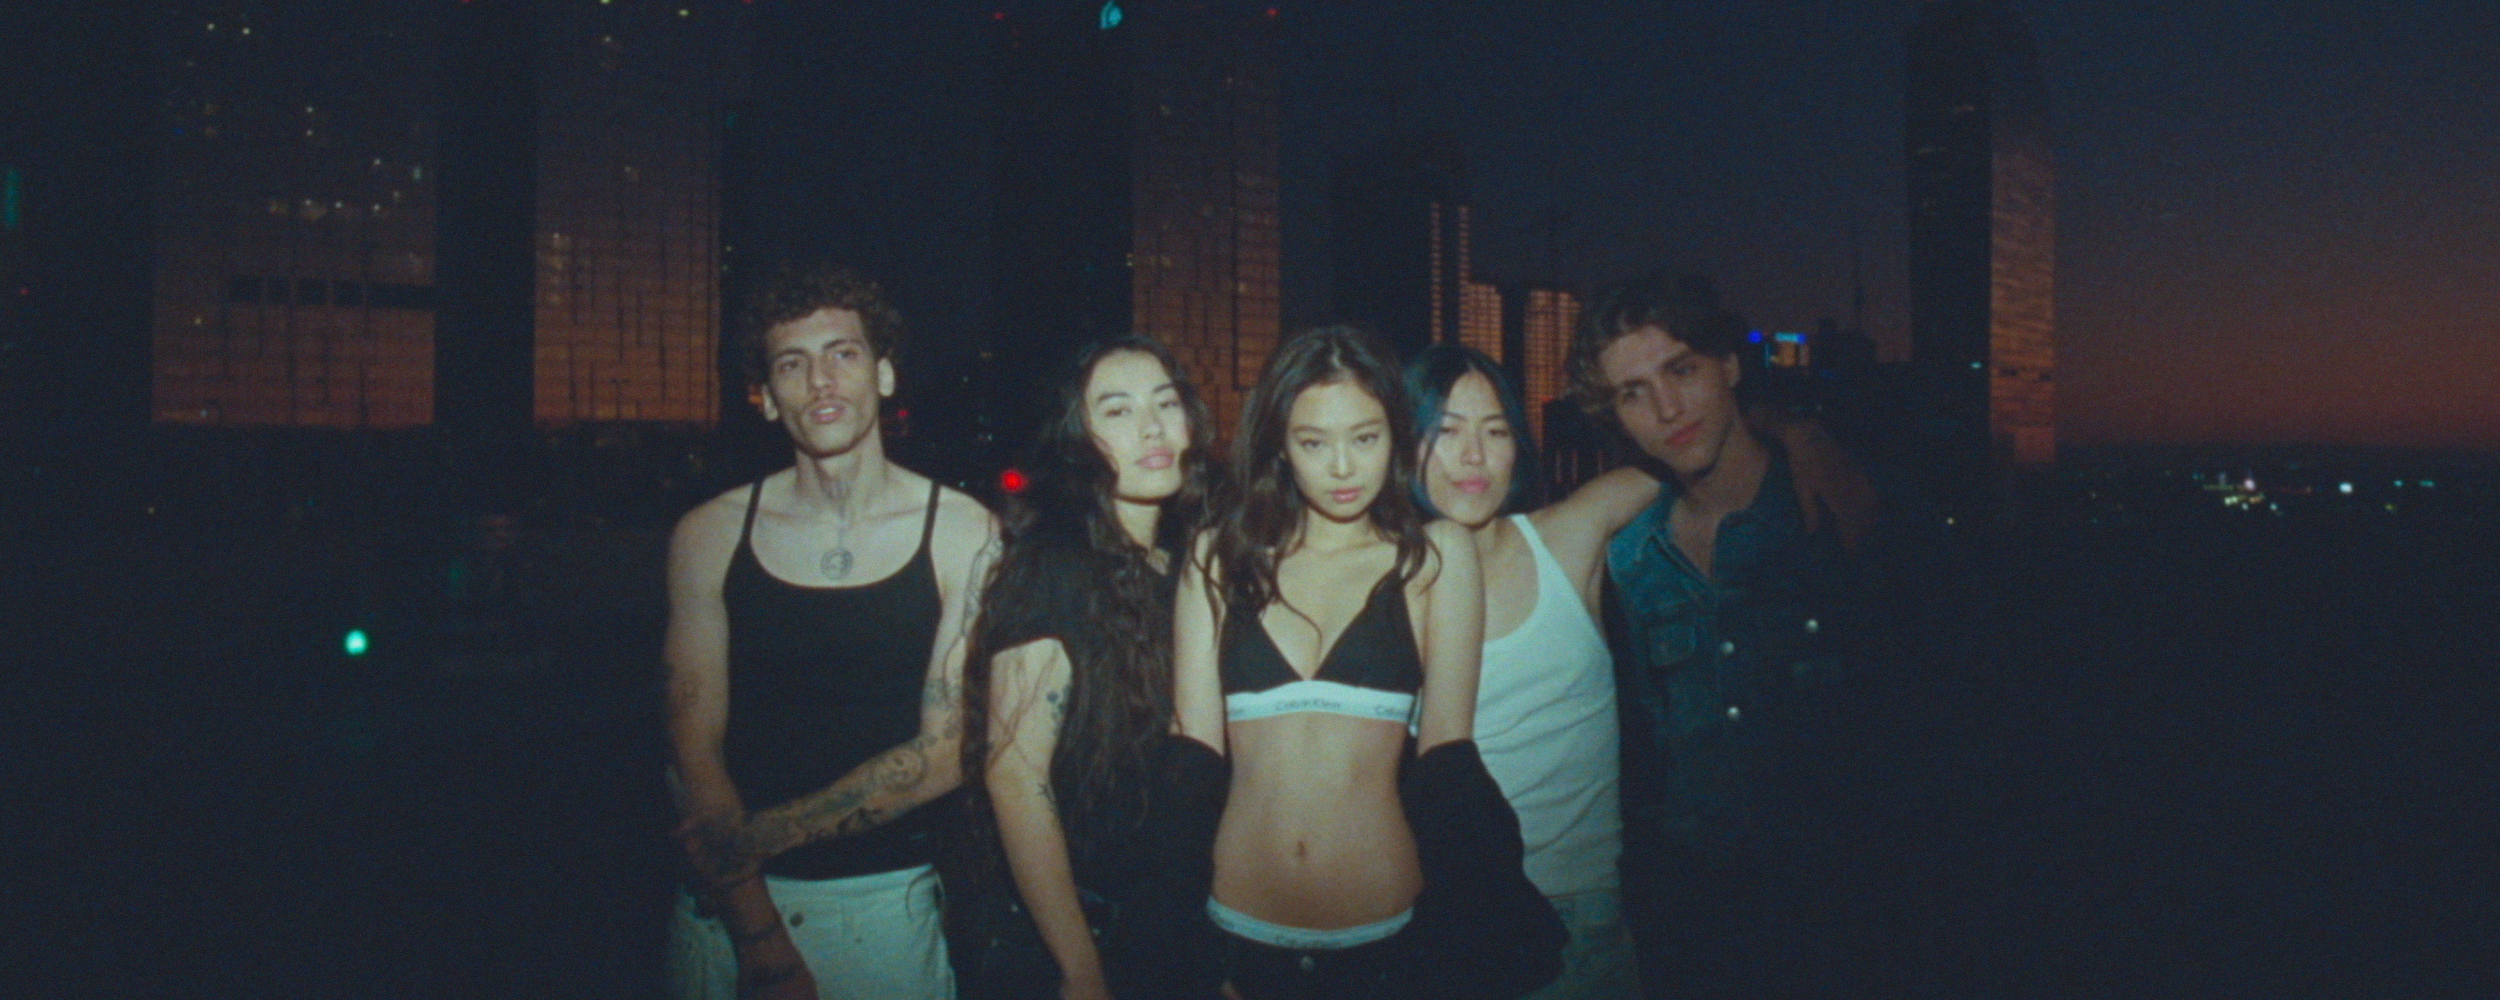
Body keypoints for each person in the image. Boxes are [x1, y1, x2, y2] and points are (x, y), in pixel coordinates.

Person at [1404, 344, 1877, 1000]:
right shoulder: (1371, 580)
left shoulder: (1565, 536)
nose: (1474, 457)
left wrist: (1797, 431)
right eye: (1446, 432)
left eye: (1495, 431)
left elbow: (1695, 446)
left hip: (1582, 918)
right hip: (1441, 918)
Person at [1173, 325, 1561, 1000]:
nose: (1342, 468)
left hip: (1387, 943)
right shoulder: (1217, 556)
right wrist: (1178, 948)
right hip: (1236, 934)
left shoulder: (1435, 556)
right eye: (1313, 442)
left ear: (1397, 436)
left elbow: (1447, 759)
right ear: (1280, 445)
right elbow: (1191, 760)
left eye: (1365, 438)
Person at [664, 261, 998, 1000]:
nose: (820, 381)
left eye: (843, 354)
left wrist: (759, 837)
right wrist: (760, 936)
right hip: (723, 918)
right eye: (792, 363)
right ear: (764, 396)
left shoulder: (964, 532)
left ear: (884, 374)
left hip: (880, 909)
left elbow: (947, 751)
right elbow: (691, 745)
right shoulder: (708, 535)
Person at [1565, 276, 1876, 999]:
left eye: (1682, 370)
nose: (1667, 409)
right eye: (1633, 393)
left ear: (1730, 365)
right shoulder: (1630, 560)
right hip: (1697, 926)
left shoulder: (1833, 509)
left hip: (1847, 915)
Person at [946, 337, 1222, 1000]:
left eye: (1165, 404)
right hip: (1080, 931)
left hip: (1165, 926)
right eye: (1118, 411)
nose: (1152, 428)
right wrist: (1078, 964)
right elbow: (1015, 775)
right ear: (1077, 440)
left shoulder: (1187, 560)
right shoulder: (1055, 565)